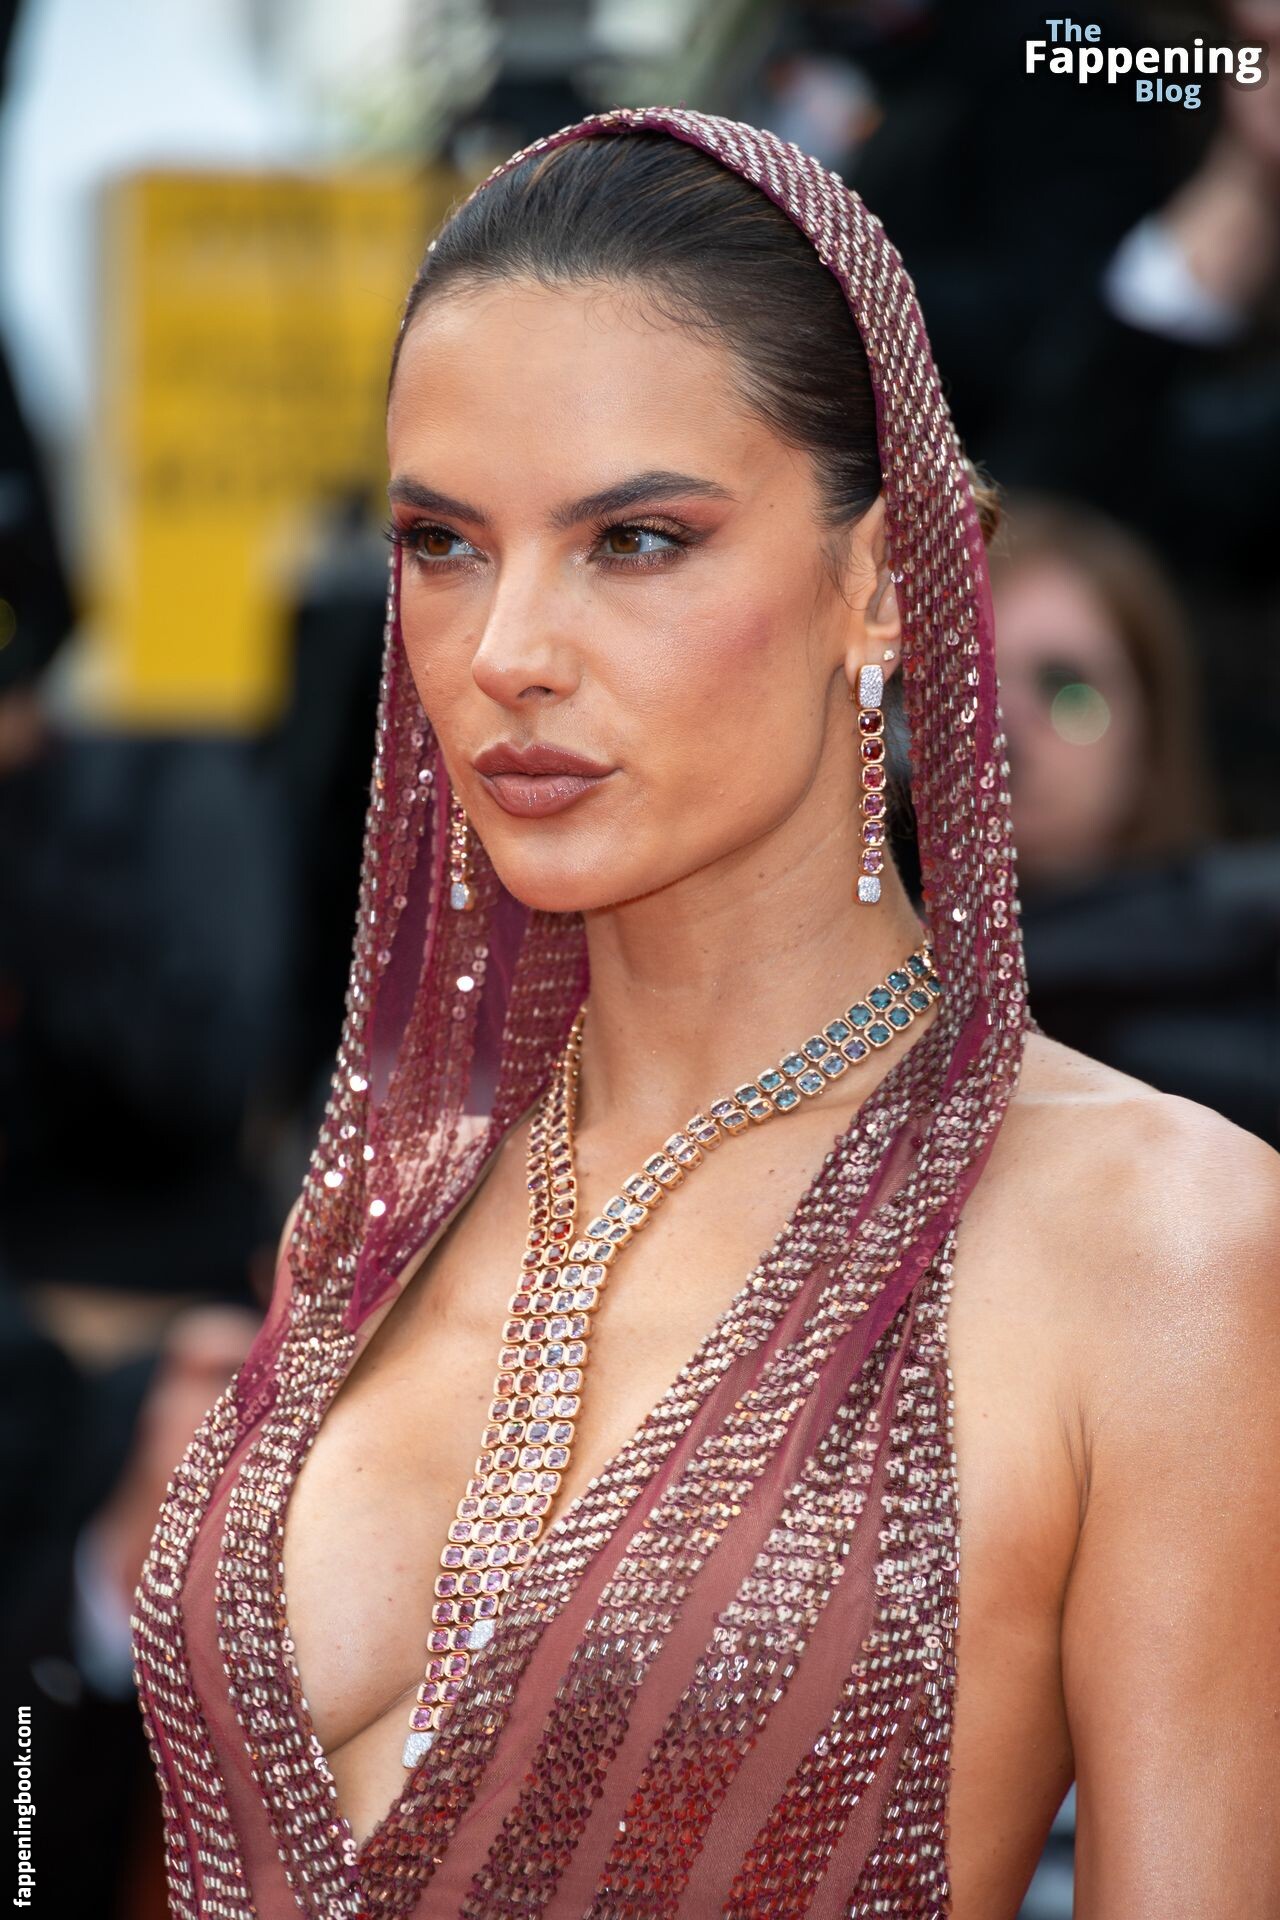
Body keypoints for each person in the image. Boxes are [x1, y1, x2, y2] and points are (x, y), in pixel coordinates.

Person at [130, 107, 1280, 1919]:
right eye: (440, 542)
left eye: (637, 539)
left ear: (883, 581)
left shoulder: (1166, 1243)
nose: (507, 650)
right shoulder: (379, 1201)